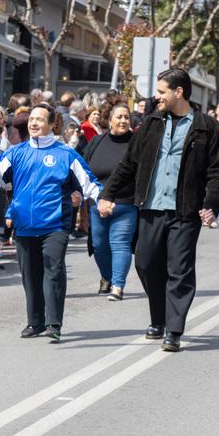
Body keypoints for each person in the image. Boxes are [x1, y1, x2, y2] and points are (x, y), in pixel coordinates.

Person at [98, 68, 219, 352]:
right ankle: (158, 318)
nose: (156, 97)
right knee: (145, 264)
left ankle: (174, 329)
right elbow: (128, 164)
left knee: (179, 270)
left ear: (178, 92)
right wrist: (108, 194)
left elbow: (217, 170)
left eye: (161, 91)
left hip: (185, 212)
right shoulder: (151, 123)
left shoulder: (207, 127)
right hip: (151, 208)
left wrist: (212, 203)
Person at [0, 103, 102, 341]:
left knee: (53, 270)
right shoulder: (16, 153)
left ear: (52, 124)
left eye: (40, 119)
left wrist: (104, 200)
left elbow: (89, 183)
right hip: (24, 225)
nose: (34, 123)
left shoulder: (66, 154)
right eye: (32, 119)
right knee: (30, 275)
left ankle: (53, 323)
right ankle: (35, 322)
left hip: (55, 224)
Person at [84, 103, 136, 300]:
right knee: (99, 245)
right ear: (110, 120)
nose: (123, 121)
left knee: (120, 244)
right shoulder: (97, 142)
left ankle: (117, 285)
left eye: (126, 117)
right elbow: (84, 169)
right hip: (98, 204)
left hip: (126, 203)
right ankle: (106, 277)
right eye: (119, 117)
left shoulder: (136, 143)